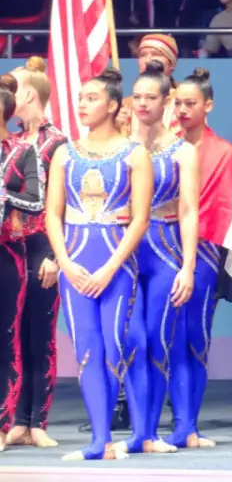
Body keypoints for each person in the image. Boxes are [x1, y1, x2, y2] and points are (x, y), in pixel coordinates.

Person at [43, 68, 153, 461]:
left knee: (116, 347)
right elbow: (52, 215)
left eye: (91, 98)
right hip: (75, 261)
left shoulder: (134, 154)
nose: (83, 104)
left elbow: (140, 218)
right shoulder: (64, 154)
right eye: (80, 97)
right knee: (86, 350)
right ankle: (99, 442)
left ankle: (140, 431)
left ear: (112, 105)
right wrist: (65, 262)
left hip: (115, 263)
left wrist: (110, 268)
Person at [124, 60, 199, 454]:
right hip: (123, 251)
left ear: (166, 101)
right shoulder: (119, 145)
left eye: (150, 97)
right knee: (130, 341)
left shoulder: (183, 151)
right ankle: (137, 431)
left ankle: (150, 433)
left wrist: (188, 266)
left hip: (164, 249)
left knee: (158, 342)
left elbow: (188, 211)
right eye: (136, 96)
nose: (142, 103)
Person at [171, 67, 232, 449]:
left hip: (201, 254)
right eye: (178, 103)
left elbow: (227, 213)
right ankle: (157, 426)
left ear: (208, 105)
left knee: (193, 338)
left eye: (190, 103)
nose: (182, 110)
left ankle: (187, 425)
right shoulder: (163, 147)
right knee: (161, 340)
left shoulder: (225, 154)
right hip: (160, 249)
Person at [6, 58, 68, 450]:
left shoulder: (57, 143)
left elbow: (66, 205)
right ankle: (13, 419)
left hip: (43, 247)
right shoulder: (8, 141)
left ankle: (36, 421)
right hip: (10, 248)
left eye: (12, 90)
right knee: (9, 336)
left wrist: (57, 256)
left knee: (39, 336)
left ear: (27, 94)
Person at [0, 76, 46, 452]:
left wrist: (3, 195)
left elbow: (36, 200)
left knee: (6, 339)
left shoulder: (22, 151)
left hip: (8, 256)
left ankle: (3, 423)